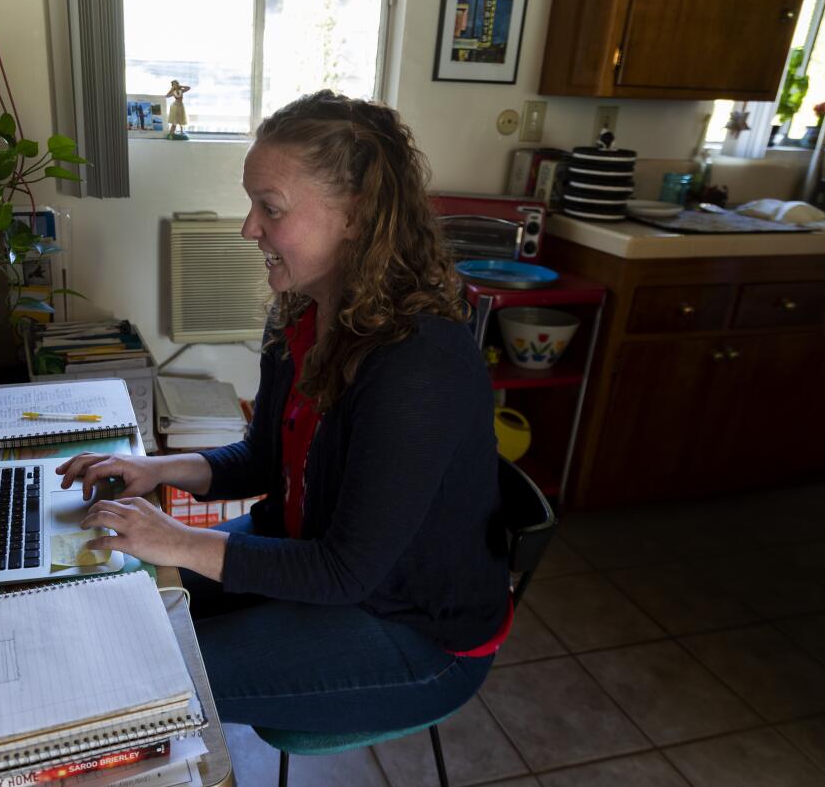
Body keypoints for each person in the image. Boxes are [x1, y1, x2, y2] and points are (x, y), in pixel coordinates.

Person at [58, 90, 509, 734]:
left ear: (356, 216)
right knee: (123, 597)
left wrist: (179, 540)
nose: (248, 228)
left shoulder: (417, 363)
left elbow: (345, 572)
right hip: (310, 556)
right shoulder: (302, 312)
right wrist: (155, 470)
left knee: (143, 671)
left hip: (412, 630)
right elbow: (261, 461)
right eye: (252, 205)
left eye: (270, 209)